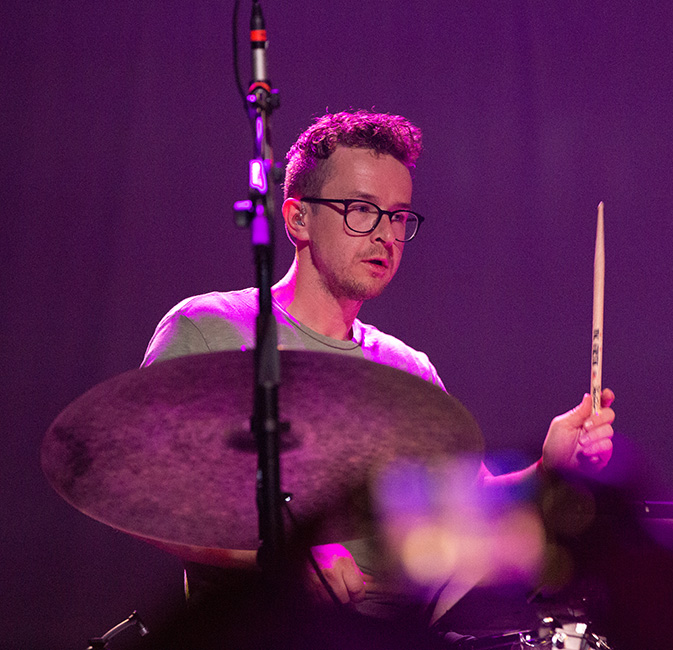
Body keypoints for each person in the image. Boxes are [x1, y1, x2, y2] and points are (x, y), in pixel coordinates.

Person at [143, 109, 616, 617]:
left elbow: (471, 508)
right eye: (361, 210)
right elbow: (144, 496)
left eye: (397, 215)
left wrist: (549, 468)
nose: (386, 235)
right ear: (298, 218)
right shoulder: (214, 327)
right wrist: (284, 554)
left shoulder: (407, 369)